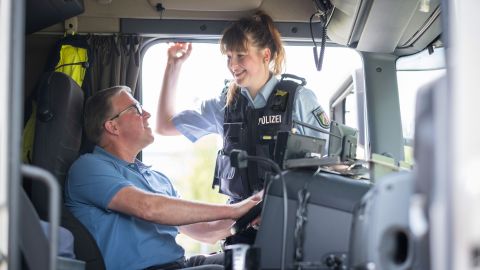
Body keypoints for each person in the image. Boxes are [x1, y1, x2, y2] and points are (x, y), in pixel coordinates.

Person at [64, 86, 261, 270]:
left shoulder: (155, 177)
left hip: (177, 264)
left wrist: (253, 213)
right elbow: (148, 208)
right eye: (136, 108)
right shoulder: (89, 167)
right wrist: (234, 209)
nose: (147, 114)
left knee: (252, 261)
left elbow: (205, 231)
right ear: (112, 126)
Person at [156, 10, 330, 206]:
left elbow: (331, 161)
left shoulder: (298, 99)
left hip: (288, 217)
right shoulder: (225, 104)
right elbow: (164, 125)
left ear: (266, 55)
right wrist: (173, 65)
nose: (233, 65)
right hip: (239, 221)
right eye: (229, 57)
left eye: (241, 55)